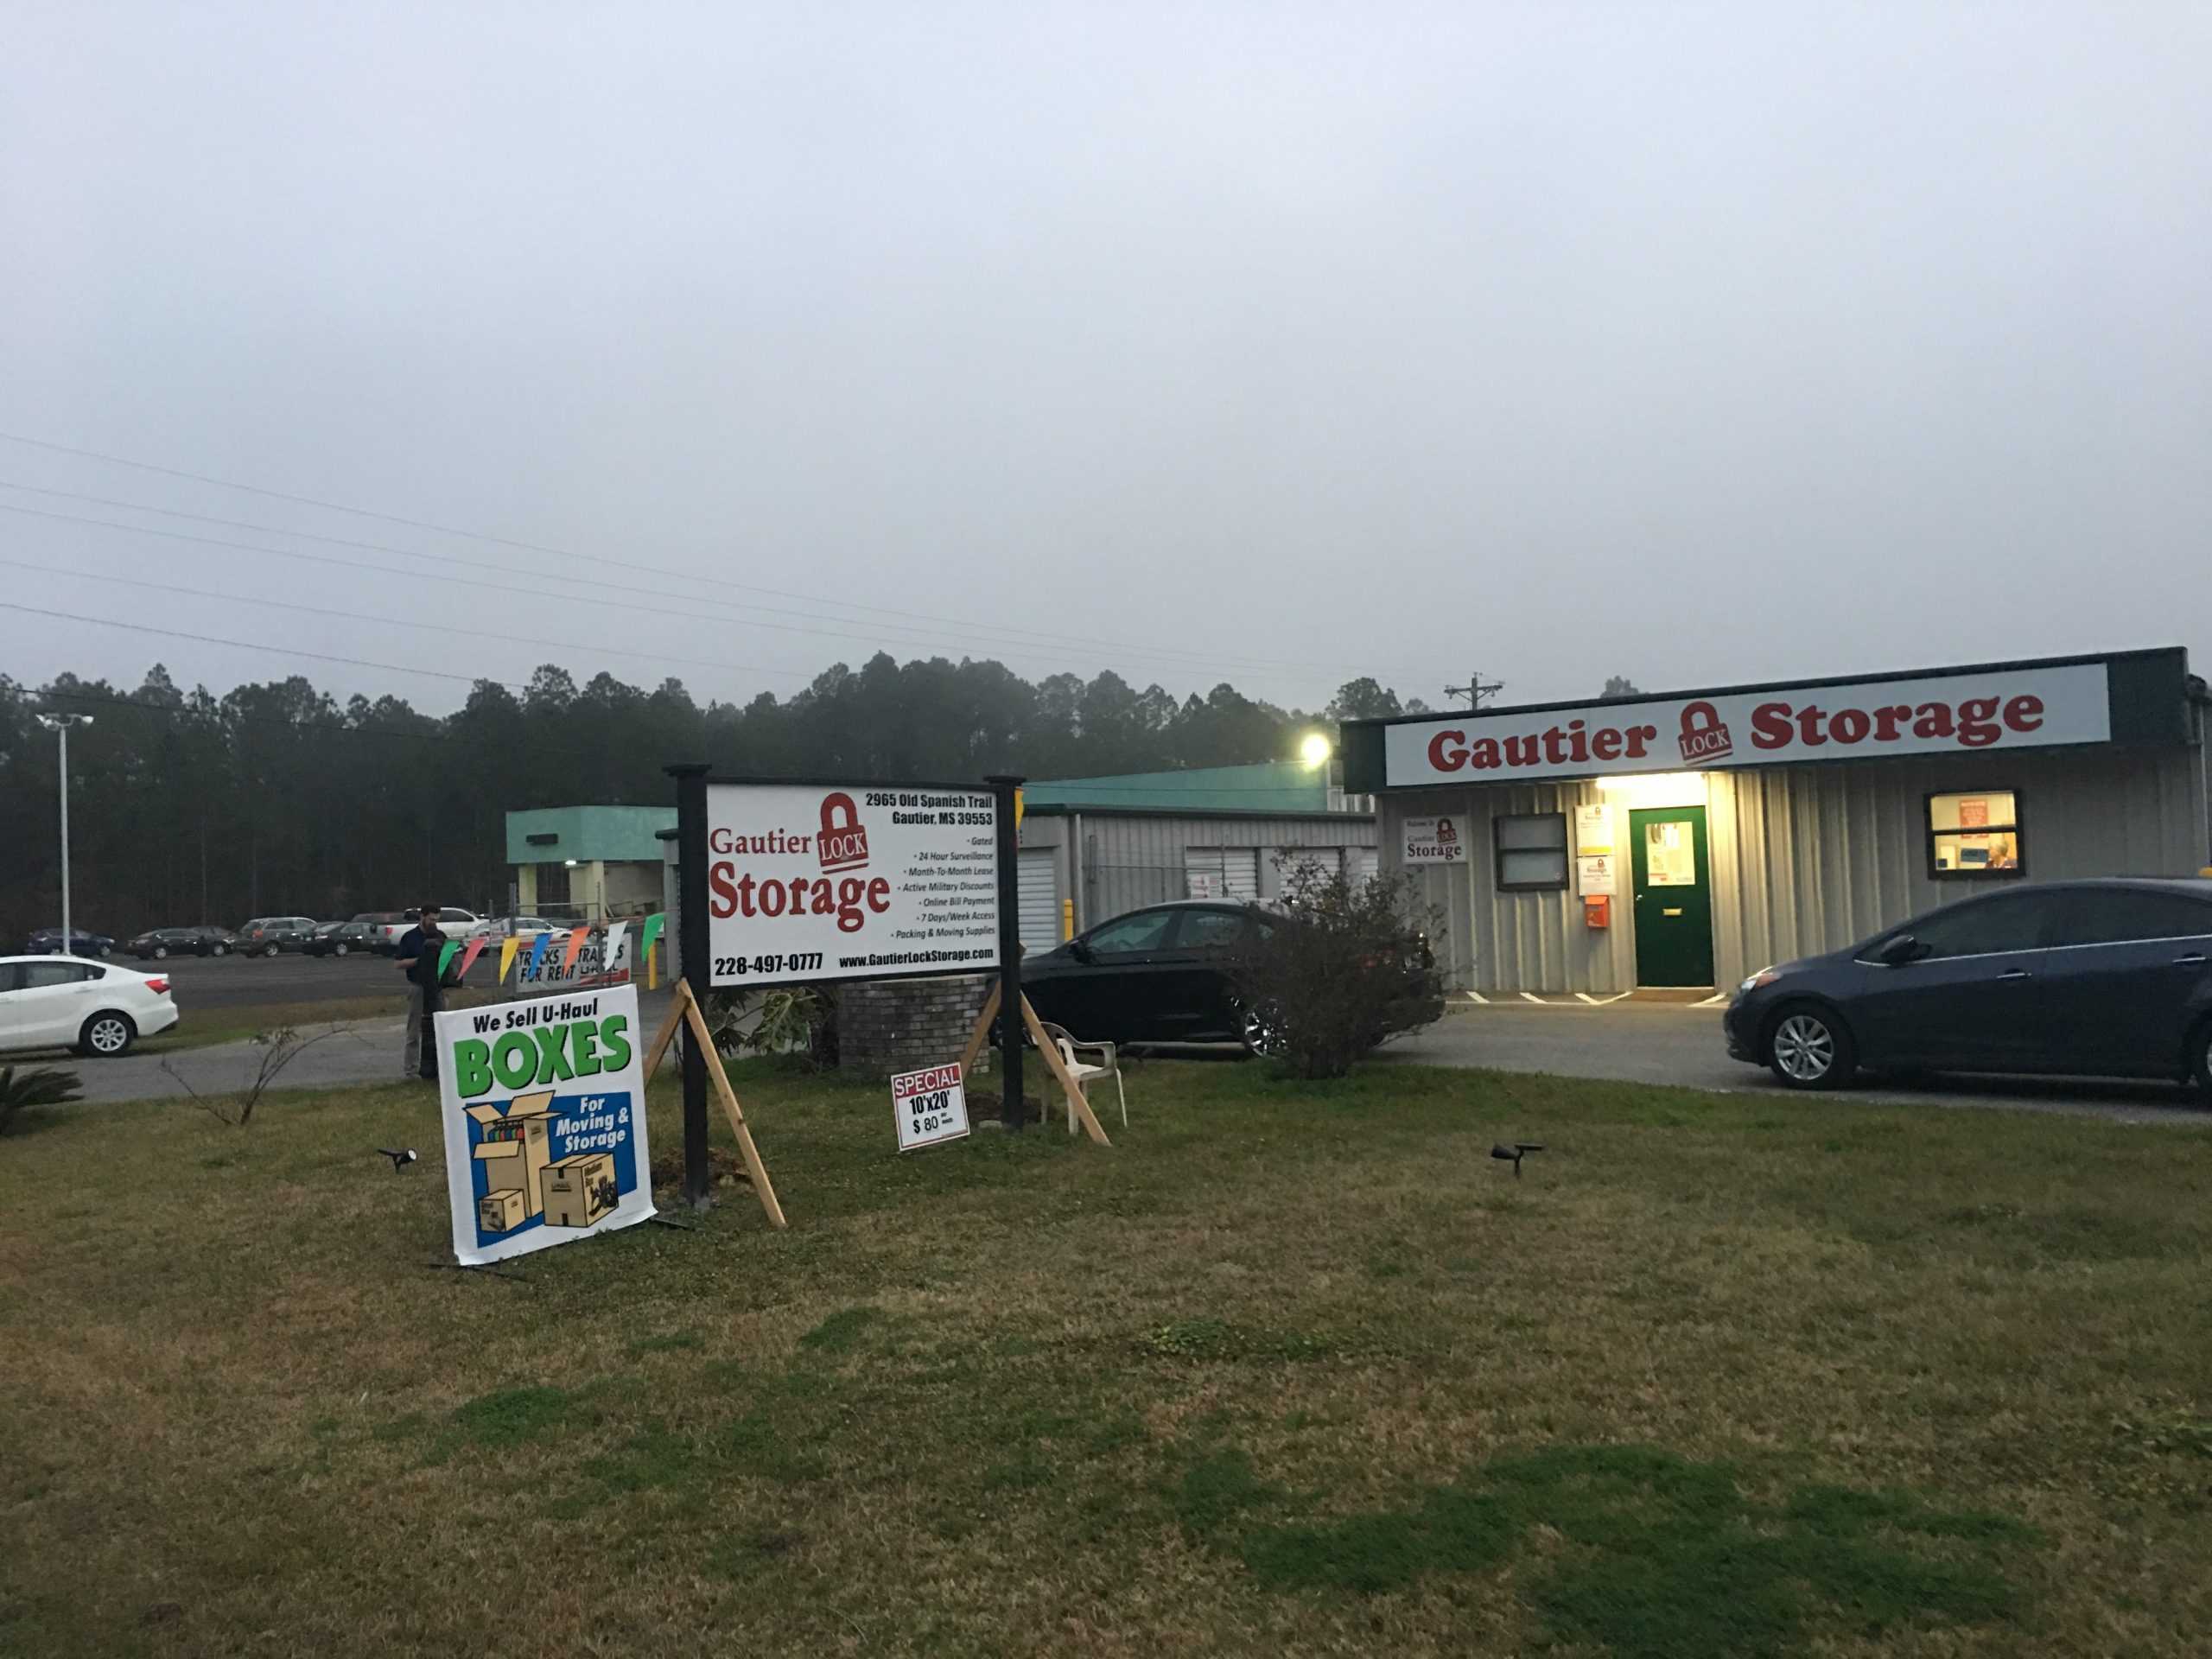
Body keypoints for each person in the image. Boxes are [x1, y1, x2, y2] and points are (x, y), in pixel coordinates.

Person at [397, 903, 447, 1080]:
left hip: (436, 986)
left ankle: (440, 1066)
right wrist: (420, 960)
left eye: (437, 920)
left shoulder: (440, 936)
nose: (434, 923)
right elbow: (399, 963)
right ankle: (411, 1069)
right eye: (431, 919)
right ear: (423, 917)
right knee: (414, 1030)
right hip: (417, 985)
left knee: (441, 1026)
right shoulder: (410, 937)